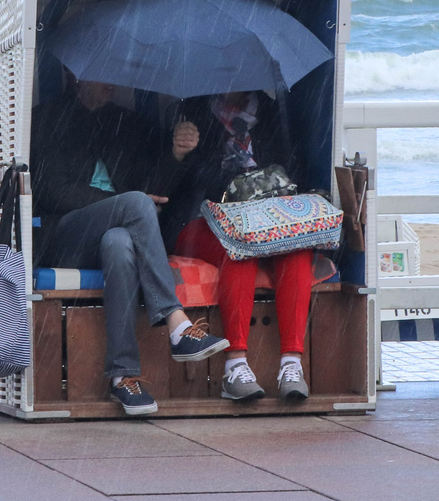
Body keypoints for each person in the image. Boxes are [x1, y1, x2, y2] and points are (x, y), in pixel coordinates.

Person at [32, 73, 230, 415]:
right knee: (134, 205)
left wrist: (176, 155)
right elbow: (50, 188)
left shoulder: (125, 122)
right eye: (101, 75)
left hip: (115, 233)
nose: (112, 83)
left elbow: (154, 190)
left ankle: (123, 377)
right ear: (75, 77)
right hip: (65, 235)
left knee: (120, 243)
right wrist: (119, 203)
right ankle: (176, 322)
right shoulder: (46, 118)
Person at [165, 90, 314, 401]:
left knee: (298, 248)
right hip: (201, 220)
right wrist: (178, 155)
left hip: (269, 219)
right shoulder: (188, 108)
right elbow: (163, 186)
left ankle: (292, 364)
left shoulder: (275, 112)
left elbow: (296, 172)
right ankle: (235, 366)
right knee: (239, 246)